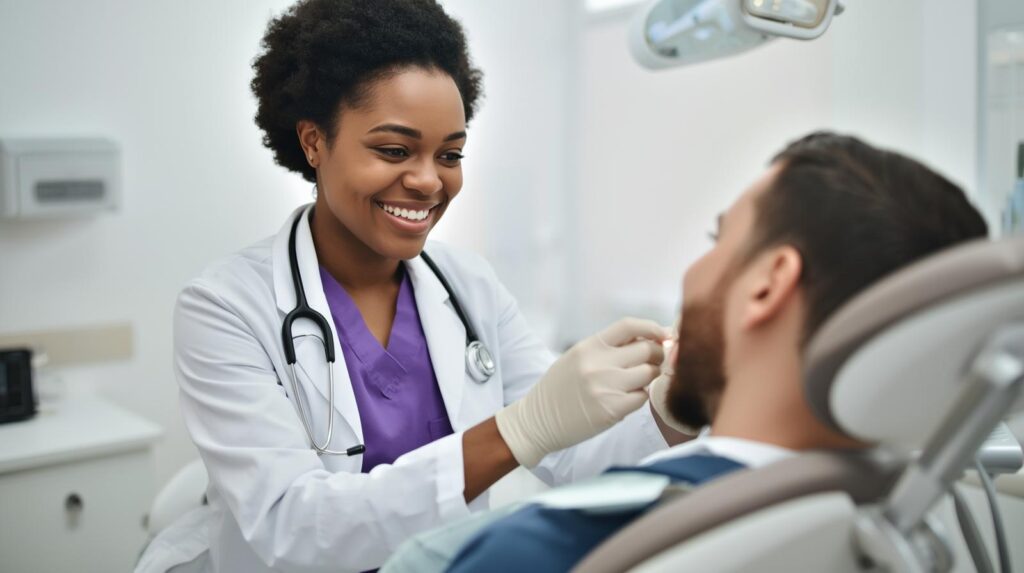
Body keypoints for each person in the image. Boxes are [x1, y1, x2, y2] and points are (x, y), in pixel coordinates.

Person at [135, 1, 689, 572]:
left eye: (449, 154)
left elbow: (578, 455)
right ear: (313, 142)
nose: (428, 181)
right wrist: (518, 430)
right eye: (394, 150)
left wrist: (678, 402)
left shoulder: (469, 286)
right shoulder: (225, 307)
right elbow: (292, 525)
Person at [380, 131, 990, 573]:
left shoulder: (535, 550)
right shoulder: (907, 530)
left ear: (767, 284)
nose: (694, 271)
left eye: (718, 239)